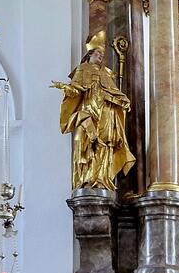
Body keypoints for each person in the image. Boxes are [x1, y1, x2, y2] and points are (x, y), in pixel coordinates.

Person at [51, 30, 134, 191]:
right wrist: (66, 88)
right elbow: (76, 90)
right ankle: (86, 179)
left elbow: (113, 93)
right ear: (90, 54)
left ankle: (102, 179)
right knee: (83, 141)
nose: (101, 56)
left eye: (102, 54)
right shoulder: (82, 69)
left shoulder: (105, 73)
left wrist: (123, 101)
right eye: (98, 53)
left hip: (105, 113)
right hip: (87, 112)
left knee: (105, 145)